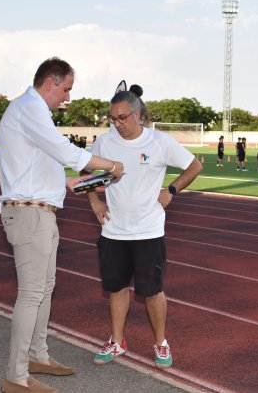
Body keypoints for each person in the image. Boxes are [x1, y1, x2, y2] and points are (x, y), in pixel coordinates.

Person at [0, 57, 125, 393]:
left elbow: (42, 162)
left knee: (44, 288)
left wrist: (66, 184)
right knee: (31, 294)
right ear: (50, 82)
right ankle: (17, 376)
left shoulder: (32, 112)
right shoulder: (29, 107)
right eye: (66, 89)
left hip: (41, 211)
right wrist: (110, 164)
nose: (67, 96)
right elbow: (65, 151)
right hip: (29, 215)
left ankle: (37, 355)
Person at [85, 85, 202, 369]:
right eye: (113, 118)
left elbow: (194, 166)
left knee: (152, 291)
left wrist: (171, 190)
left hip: (148, 231)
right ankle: (117, 341)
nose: (118, 123)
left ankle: (161, 343)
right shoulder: (104, 143)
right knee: (116, 288)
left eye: (123, 117)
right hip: (114, 231)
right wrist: (95, 204)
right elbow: (86, 172)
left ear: (138, 114)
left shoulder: (159, 142)